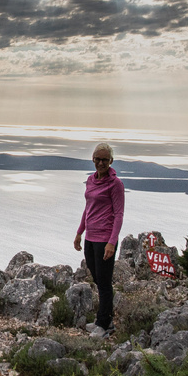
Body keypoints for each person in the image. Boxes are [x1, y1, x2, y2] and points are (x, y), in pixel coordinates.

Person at [73, 142, 124, 336]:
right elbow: (88, 208)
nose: (101, 163)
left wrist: (112, 242)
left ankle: (105, 324)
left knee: (104, 282)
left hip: (105, 239)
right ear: (93, 159)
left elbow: (118, 215)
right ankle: (102, 319)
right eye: (97, 159)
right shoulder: (91, 180)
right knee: (97, 279)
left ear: (111, 161)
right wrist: (79, 232)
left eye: (104, 159)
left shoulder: (116, 184)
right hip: (90, 238)